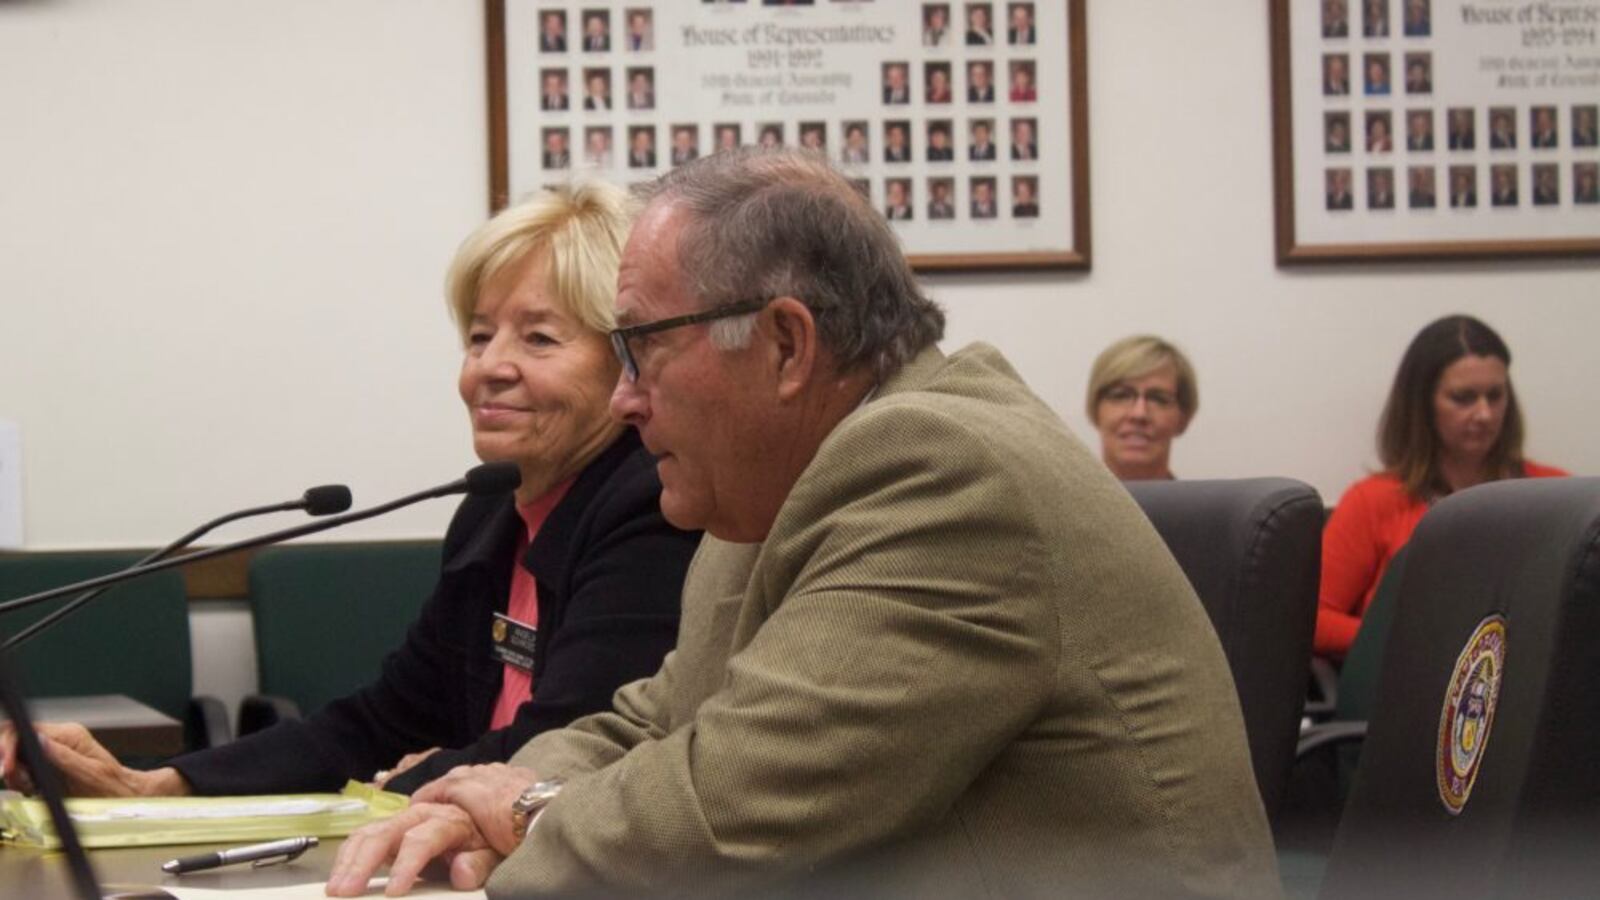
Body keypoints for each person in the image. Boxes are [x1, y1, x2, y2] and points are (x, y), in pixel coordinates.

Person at [323, 145, 1279, 900]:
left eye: (640, 350)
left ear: (784, 344)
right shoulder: (775, 486)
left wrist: (524, 811)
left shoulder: (941, 471)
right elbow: (659, 716)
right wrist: (473, 803)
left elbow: (728, 816)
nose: (623, 401)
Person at [0, 184, 701, 799]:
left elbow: (577, 745)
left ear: (626, 361)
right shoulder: (494, 508)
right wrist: (162, 784)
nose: (491, 368)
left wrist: (415, 782)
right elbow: (388, 718)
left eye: (539, 339)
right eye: (480, 336)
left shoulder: (650, 504)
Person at [1315, 315, 1568, 659]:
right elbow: (1313, 620)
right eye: (1463, 398)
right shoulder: (1375, 501)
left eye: (1495, 396)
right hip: (1413, 686)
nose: (1484, 414)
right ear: (1422, 405)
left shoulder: (1555, 493)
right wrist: (1410, 642)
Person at [1085, 335, 1197, 482]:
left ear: (1183, 417)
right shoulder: (1061, 504)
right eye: (1121, 396)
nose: (1139, 414)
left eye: (1158, 399)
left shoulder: (1207, 505)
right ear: (1095, 409)